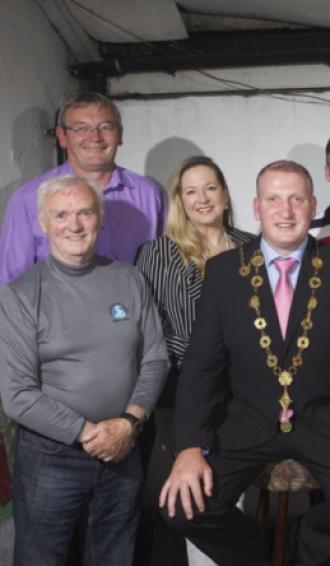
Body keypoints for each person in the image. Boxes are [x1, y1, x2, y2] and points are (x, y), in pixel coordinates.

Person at [159, 160, 330, 566]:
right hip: (246, 421)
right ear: (256, 207)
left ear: (313, 205)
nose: (285, 211)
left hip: (325, 422)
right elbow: (200, 368)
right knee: (181, 507)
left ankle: (297, 551)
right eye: (273, 199)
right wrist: (189, 447)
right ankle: (262, 553)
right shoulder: (224, 272)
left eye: (296, 199)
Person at [0, 175, 168, 565]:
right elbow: (18, 395)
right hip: (50, 457)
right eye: (61, 215)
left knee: (115, 556)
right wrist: (90, 433)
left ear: (100, 219)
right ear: (43, 223)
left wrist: (128, 423)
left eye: (85, 213)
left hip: (124, 448)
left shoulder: (129, 278)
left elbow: (155, 358)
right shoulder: (19, 296)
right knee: (42, 558)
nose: (74, 225)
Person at [135, 156, 254, 565]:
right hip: (184, 391)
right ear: (180, 201)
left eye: (210, 188)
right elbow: (153, 330)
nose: (202, 198)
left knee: (231, 489)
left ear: (225, 195)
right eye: (191, 191)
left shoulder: (253, 248)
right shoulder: (157, 254)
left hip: (245, 393)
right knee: (196, 491)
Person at [0, 92, 166, 286]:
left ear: (120, 134)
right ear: (62, 137)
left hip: (135, 305)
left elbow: (165, 267)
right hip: (55, 306)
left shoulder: (149, 194)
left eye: (105, 127)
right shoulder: (27, 199)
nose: (95, 137)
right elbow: (12, 282)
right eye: (81, 128)